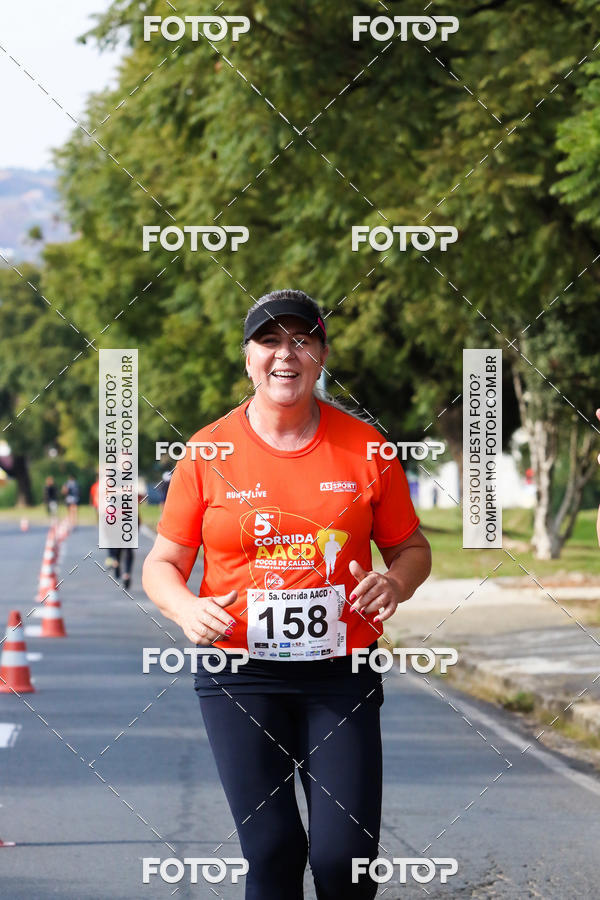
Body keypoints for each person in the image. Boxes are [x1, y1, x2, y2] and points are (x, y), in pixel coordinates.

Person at [142, 289, 431, 899]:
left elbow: (412, 549)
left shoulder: (368, 448)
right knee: (272, 851)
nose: (286, 354)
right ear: (247, 357)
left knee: (344, 860)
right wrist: (186, 607)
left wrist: (395, 582)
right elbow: (162, 564)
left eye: (302, 340)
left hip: (341, 673)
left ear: (322, 354)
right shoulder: (207, 451)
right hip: (239, 673)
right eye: (269, 341)